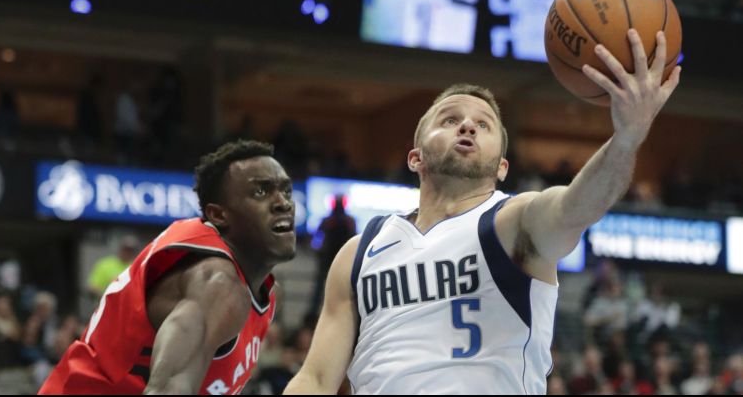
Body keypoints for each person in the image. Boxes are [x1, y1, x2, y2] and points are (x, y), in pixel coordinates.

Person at [285, 30, 681, 394]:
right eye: (451, 120)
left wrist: (626, 139)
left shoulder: (512, 223)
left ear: (502, 167)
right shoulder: (358, 252)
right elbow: (317, 378)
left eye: (483, 124)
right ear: (415, 157)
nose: (468, 127)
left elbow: (577, 206)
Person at [39, 140, 296, 394]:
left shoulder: (266, 295)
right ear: (218, 215)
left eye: (286, 191)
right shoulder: (216, 285)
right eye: (260, 192)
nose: (283, 202)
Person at [308, 195, 356, 315]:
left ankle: (343, 313)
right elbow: (316, 238)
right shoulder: (329, 220)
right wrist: (318, 250)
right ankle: (313, 314)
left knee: (344, 287)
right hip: (329, 258)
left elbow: (354, 239)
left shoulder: (347, 221)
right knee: (320, 288)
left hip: (341, 259)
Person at [87, 236, 139, 300]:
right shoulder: (105, 264)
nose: (127, 253)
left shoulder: (136, 267)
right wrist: (106, 298)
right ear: (120, 249)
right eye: (125, 250)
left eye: (130, 251)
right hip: (104, 303)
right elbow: (93, 287)